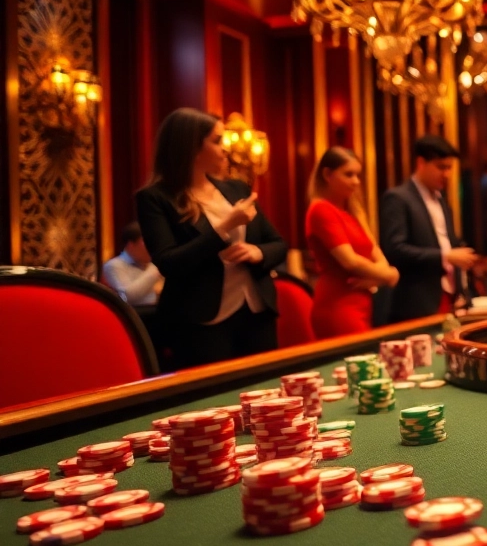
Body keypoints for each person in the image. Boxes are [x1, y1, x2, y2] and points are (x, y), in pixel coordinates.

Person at [135, 108, 287, 368]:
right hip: (200, 322)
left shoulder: (237, 188)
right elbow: (168, 262)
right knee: (215, 405)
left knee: (266, 397)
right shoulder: (155, 198)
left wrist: (257, 253)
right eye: (217, 141)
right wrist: (225, 226)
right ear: (191, 148)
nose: (225, 150)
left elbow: (279, 245)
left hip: (256, 315)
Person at [381, 135, 478, 322]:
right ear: (421, 163)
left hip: (447, 298)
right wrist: (446, 256)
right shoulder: (398, 198)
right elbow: (395, 249)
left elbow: (447, 242)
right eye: (441, 167)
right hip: (415, 302)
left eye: (449, 168)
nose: (447, 174)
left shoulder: (441, 200)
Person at [305, 147, 400, 338]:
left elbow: (376, 254)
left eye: (358, 175)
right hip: (338, 306)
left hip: (362, 303)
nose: (356, 182)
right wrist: (389, 275)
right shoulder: (321, 209)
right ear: (327, 174)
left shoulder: (353, 211)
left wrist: (382, 275)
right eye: (349, 175)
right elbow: (350, 261)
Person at [102, 222, 163, 306]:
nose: (152, 247)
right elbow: (128, 297)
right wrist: (155, 271)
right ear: (131, 245)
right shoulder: (113, 265)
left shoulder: (151, 266)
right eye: (147, 243)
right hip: (132, 316)